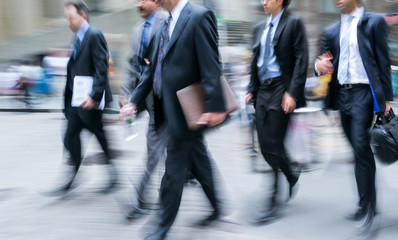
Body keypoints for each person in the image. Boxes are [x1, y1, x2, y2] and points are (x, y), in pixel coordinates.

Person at [121, 0, 227, 239]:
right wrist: (134, 101)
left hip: (188, 110)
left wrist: (215, 106)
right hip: (164, 109)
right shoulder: (162, 26)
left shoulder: (199, 16)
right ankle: (218, 207)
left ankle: (161, 227)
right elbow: (150, 72)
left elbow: (211, 65)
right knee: (199, 161)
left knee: (173, 170)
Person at [315, 0, 392, 234]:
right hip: (342, 94)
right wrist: (320, 66)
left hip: (364, 93)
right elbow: (322, 62)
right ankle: (363, 204)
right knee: (357, 150)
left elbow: (382, 60)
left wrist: (385, 99)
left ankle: (371, 210)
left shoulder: (373, 22)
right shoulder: (331, 30)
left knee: (361, 146)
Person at [245, 0, 308, 224]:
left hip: (282, 89)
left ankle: (272, 200)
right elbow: (255, 61)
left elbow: (301, 60)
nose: (263, 2)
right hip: (262, 90)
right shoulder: (259, 28)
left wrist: (292, 92)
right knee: (265, 143)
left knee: (272, 143)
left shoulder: (294, 23)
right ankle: (291, 173)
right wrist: (251, 89)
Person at [46, 1, 116, 196]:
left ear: (83, 16)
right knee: (70, 136)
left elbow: (101, 68)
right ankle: (73, 175)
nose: (68, 21)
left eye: (71, 17)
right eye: (66, 17)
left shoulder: (94, 35)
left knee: (100, 137)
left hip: (90, 101)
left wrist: (94, 96)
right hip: (76, 101)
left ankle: (113, 175)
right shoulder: (77, 38)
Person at [119, 0, 168, 220]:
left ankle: (139, 197)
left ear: (156, 2)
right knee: (181, 147)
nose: (138, 4)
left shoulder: (167, 21)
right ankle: (191, 174)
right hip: (143, 96)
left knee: (155, 146)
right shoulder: (137, 29)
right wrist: (126, 92)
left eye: (143, 0)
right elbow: (134, 65)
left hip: (164, 97)